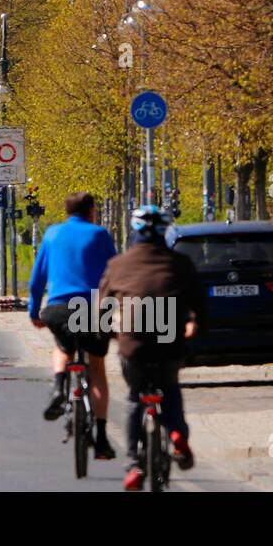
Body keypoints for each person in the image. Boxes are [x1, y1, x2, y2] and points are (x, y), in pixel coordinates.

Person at [98, 205, 208, 490]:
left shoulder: (118, 265)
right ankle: (176, 435)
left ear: (134, 231)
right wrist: (195, 325)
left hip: (134, 344)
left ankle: (134, 464)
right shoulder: (180, 263)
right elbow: (201, 306)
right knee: (169, 387)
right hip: (170, 340)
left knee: (136, 398)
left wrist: (108, 332)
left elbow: (101, 310)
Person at [28, 191, 118, 460]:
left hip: (58, 309)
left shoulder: (52, 234)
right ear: (91, 210)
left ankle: (59, 386)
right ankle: (101, 440)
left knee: (62, 346)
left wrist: (34, 312)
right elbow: (113, 276)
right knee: (98, 369)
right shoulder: (99, 234)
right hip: (92, 308)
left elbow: (36, 279)